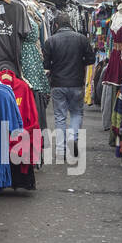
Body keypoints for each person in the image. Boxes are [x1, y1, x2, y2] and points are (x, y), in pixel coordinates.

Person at [42, 10, 93, 158]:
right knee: (76, 113)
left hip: (58, 83)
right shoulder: (81, 39)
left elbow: (46, 64)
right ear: (70, 23)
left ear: (56, 24)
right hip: (76, 82)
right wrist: (79, 62)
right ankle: (72, 138)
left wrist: (55, 65)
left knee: (60, 116)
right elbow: (91, 59)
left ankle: (60, 149)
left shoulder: (50, 41)